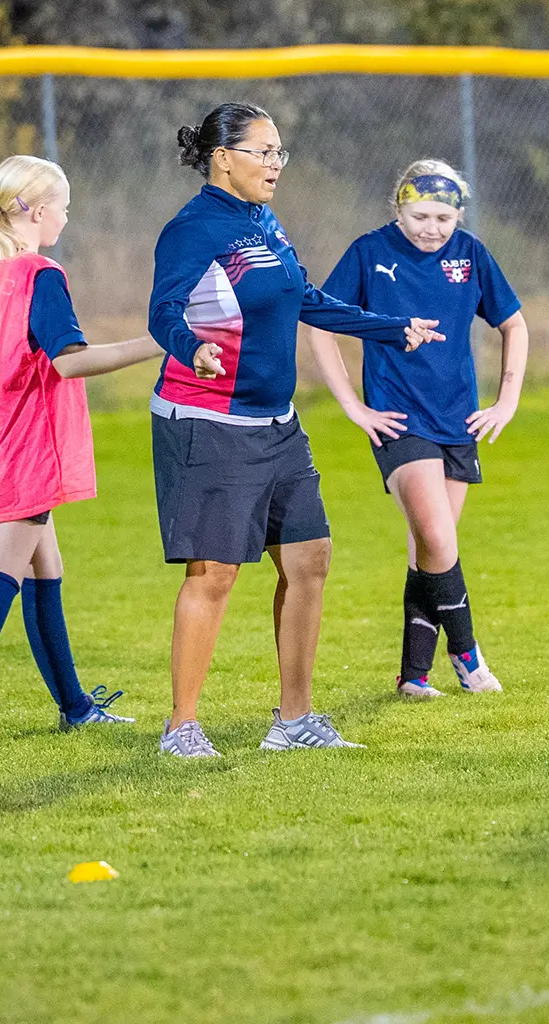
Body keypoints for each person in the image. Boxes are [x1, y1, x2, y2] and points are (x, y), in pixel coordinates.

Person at [148, 103, 445, 758]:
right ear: (223, 157)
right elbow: (162, 311)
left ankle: (294, 721)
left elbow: (305, 297)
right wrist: (189, 345)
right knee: (215, 573)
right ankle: (182, 728)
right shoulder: (193, 228)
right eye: (263, 151)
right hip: (209, 421)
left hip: (276, 423)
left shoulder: (263, 221)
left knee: (310, 559)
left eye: (281, 152)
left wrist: (389, 329)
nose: (276, 164)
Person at [0, 155, 164, 744]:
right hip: (26, 444)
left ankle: (75, 705)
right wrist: (156, 343)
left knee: (46, 568)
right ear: (42, 209)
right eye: (66, 208)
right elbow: (69, 360)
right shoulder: (39, 274)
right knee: (1, 572)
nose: (67, 218)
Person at [310, 159, 528, 698]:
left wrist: (506, 402)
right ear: (398, 208)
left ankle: (413, 674)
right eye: (419, 216)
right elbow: (319, 323)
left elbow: (514, 324)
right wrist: (353, 406)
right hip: (400, 420)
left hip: (458, 421)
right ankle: (469, 654)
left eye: (444, 218)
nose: (432, 228)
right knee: (435, 535)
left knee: (430, 550)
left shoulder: (471, 253)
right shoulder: (369, 252)